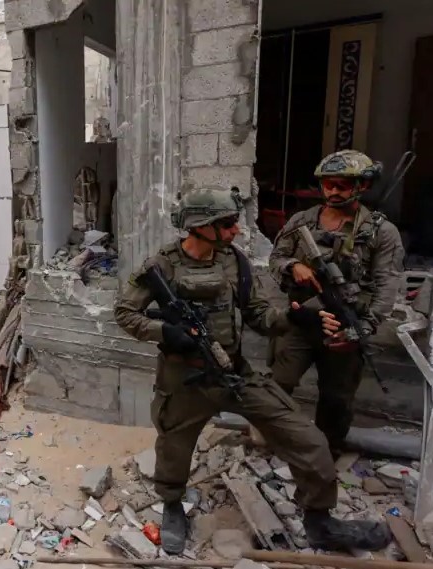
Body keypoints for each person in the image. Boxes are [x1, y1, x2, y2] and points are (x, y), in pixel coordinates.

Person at [114, 187, 391, 555]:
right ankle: (172, 506)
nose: (236, 230)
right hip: (184, 380)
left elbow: (260, 316)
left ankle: (320, 522)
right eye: (228, 223)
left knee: (308, 439)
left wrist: (296, 318)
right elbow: (125, 313)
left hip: (234, 372)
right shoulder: (161, 267)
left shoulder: (235, 262)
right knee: (173, 449)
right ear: (202, 225)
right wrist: (166, 332)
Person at [269, 150, 405, 457]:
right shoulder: (302, 221)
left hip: (344, 324)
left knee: (337, 397)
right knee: (277, 384)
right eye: (327, 184)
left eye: (341, 185)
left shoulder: (381, 232)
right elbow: (276, 258)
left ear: (362, 186)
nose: (333, 191)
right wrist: (293, 266)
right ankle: (275, 442)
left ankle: (325, 452)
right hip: (302, 319)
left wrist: (362, 329)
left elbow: (387, 285)